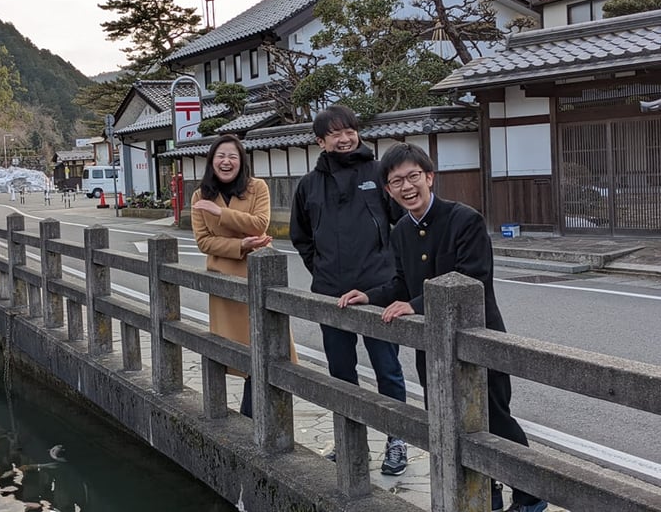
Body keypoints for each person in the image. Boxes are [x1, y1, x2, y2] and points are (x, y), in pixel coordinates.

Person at [338, 142, 548, 512]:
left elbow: (473, 279)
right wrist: (369, 297)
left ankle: (531, 497)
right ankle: (487, 494)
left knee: (494, 420)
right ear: (388, 189)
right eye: (396, 181)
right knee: (448, 421)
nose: (407, 187)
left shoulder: (464, 219)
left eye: (413, 177)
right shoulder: (401, 230)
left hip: (477, 341)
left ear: (430, 177)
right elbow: (401, 283)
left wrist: (414, 306)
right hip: (432, 348)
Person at [289, 104, 409, 476]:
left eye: (350, 130)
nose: (344, 139)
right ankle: (349, 441)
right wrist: (323, 271)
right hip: (331, 294)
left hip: (379, 289)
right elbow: (301, 236)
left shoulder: (378, 173)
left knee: (387, 369)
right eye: (335, 134)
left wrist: (395, 277)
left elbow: (401, 225)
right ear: (320, 141)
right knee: (341, 371)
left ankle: (397, 441)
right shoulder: (309, 184)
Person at [192, 134, 297, 418]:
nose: (226, 162)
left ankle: (257, 413)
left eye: (232, 157)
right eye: (220, 156)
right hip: (224, 281)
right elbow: (204, 242)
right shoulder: (200, 195)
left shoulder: (257, 187)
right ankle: (233, 413)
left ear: (242, 161)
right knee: (231, 349)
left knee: (265, 345)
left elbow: (261, 223)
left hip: (258, 274)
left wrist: (220, 213)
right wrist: (241, 245)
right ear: (211, 161)